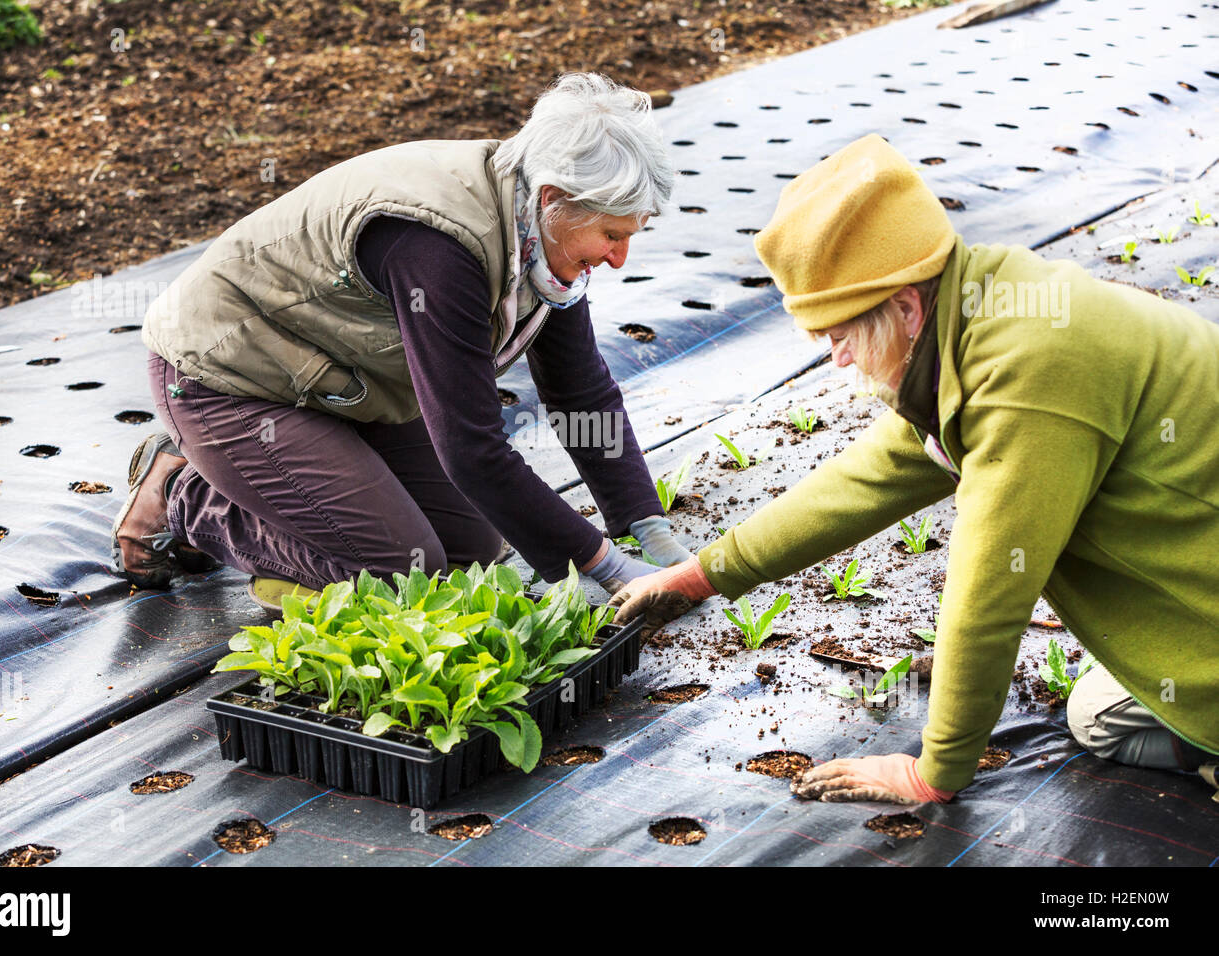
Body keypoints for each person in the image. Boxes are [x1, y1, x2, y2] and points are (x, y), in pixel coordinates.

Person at [610, 133, 1219, 804]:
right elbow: (875, 473)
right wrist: (705, 574)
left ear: (904, 306)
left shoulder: (1031, 373)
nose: (837, 359)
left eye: (840, 336)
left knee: (1138, 711)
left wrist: (932, 772)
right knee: (1097, 715)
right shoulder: (982, 302)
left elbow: (989, 595)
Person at [110, 73, 691, 611]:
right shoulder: (440, 243)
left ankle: (275, 476)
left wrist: (649, 531)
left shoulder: (540, 236)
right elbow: (472, 450)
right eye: (612, 234)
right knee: (397, 570)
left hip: (338, 382)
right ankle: (185, 496)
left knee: (472, 552)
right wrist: (612, 570)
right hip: (228, 376)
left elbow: (580, 389)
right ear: (552, 198)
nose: (619, 258)